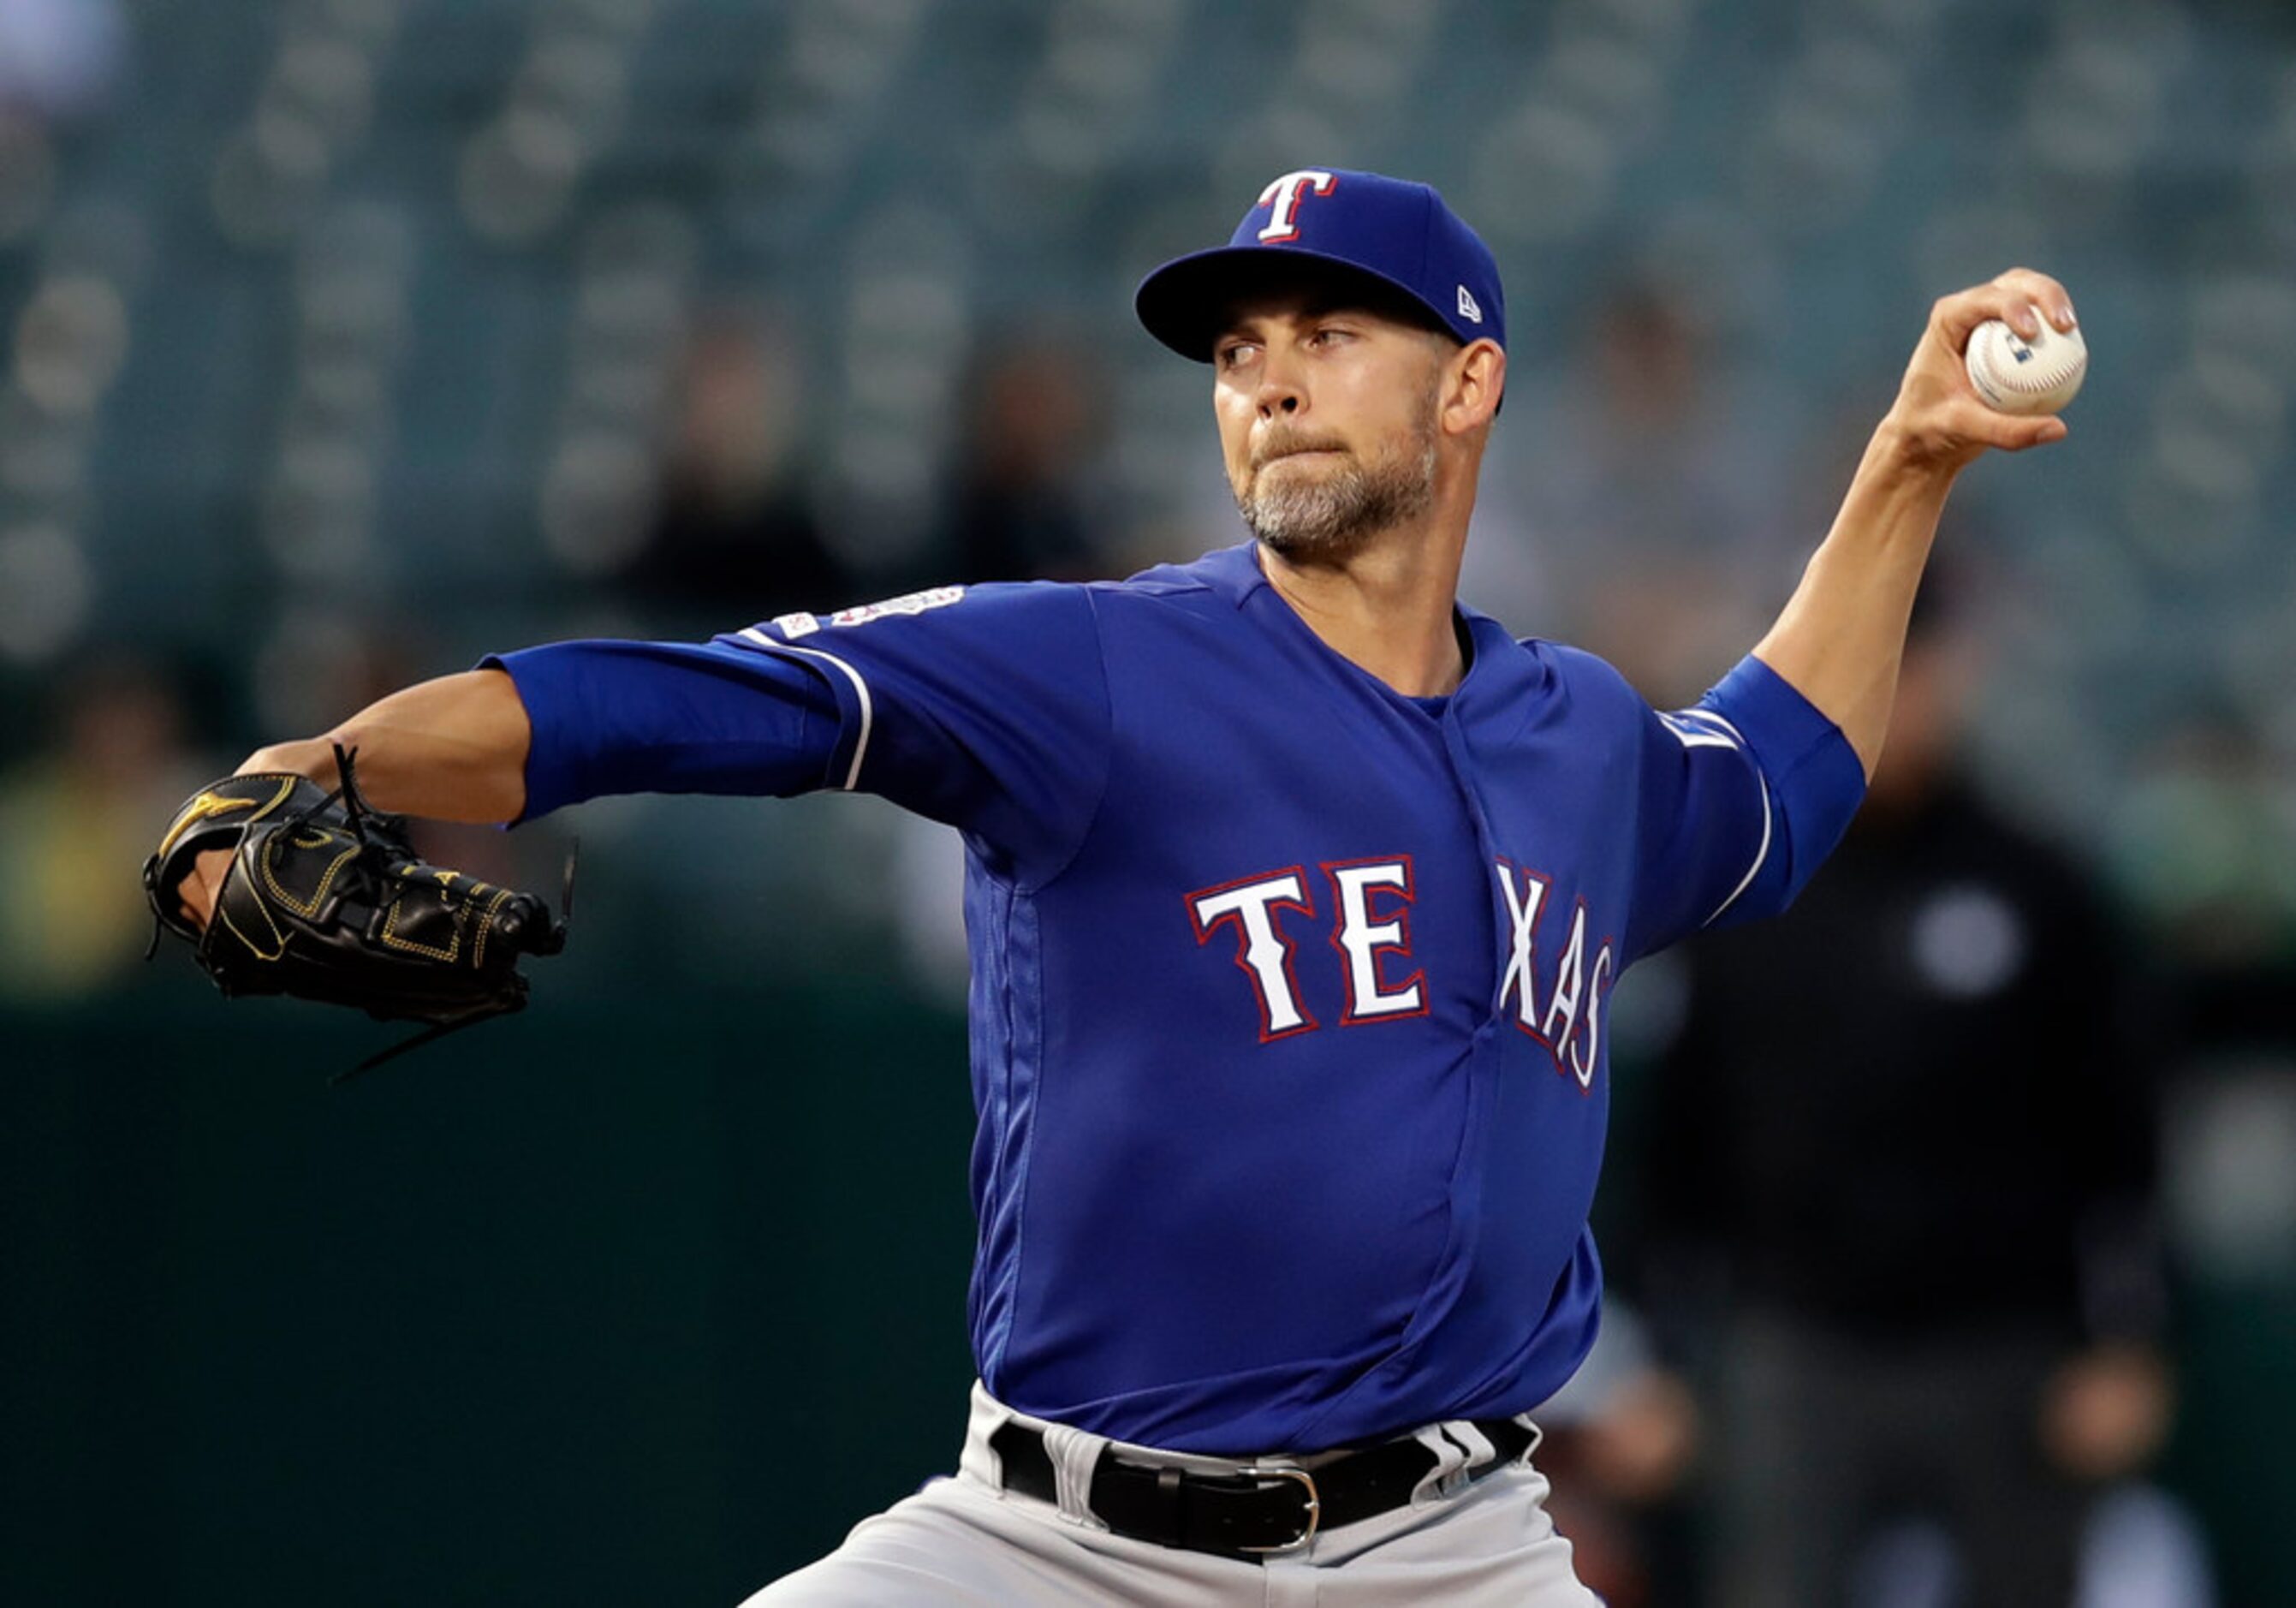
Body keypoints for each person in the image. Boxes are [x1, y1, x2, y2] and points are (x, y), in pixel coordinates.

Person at [169, 169, 2079, 1604]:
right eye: (1241, 353)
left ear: (1470, 386)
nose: (1270, 386)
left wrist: (1909, 464)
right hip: (1058, 1549)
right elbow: (676, 701)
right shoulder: (1088, 670)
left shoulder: (1575, 739)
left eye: (1331, 336)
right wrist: (316, 770)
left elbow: (1780, 782)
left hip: (1450, 1553)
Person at [1620, 563, 2175, 1608]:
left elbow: (2122, 1128)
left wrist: (2130, 1340)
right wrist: (1656, 1352)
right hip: (1796, 1344)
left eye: (1919, 662)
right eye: (1878, 661)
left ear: (1959, 670)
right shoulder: (1749, 888)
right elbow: (1680, 1141)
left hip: (2003, 1344)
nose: (1899, 690)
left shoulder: (2037, 882)